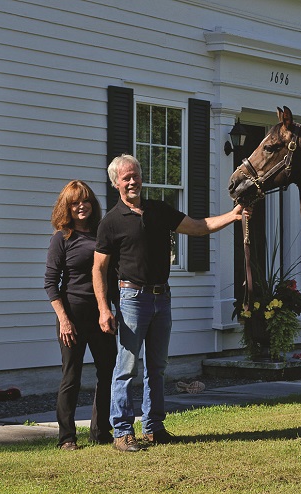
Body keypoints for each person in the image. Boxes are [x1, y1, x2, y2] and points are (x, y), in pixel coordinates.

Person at [94, 154, 249, 452]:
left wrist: (232, 216)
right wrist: (104, 308)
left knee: (158, 367)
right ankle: (123, 432)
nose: (132, 182)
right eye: (125, 178)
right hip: (131, 300)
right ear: (116, 183)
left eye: (135, 176)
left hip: (161, 298)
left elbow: (197, 226)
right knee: (126, 368)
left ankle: (154, 428)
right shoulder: (110, 223)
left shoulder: (157, 210)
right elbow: (98, 269)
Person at [44, 180, 117, 450]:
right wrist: (63, 319)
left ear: (92, 204)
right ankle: (67, 438)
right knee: (71, 376)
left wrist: (112, 310)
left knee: (107, 371)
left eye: (85, 201)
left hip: (102, 313)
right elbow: (51, 283)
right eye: (75, 203)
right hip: (72, 315)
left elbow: (113, 274)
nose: (81, 206)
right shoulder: (62, 238)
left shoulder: (103, 234)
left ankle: (100, 432)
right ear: (67, 207)